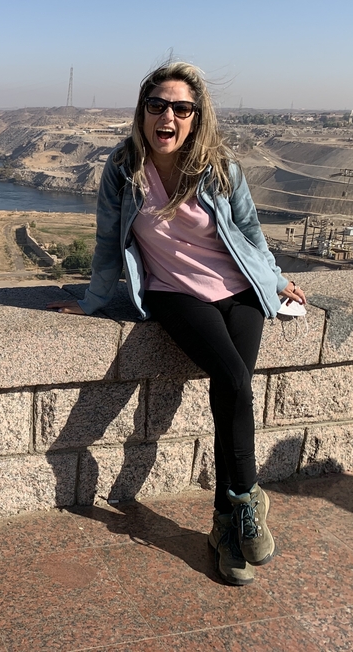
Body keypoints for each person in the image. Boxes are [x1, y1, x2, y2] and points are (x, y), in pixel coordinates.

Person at [48, 61, 307, 586]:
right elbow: (107, 243)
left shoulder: (219, 167)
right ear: (142, 111)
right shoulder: (123, 169)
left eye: (182, 109)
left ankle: (227, 530)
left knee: (231, 391)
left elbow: (250, 231)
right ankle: (248, 499)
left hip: (240, 289)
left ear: (196, 117)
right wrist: (93, 302)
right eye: (158, 105)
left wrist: (275, 278)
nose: (168, 117)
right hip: (173, 292)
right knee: (232, 378)